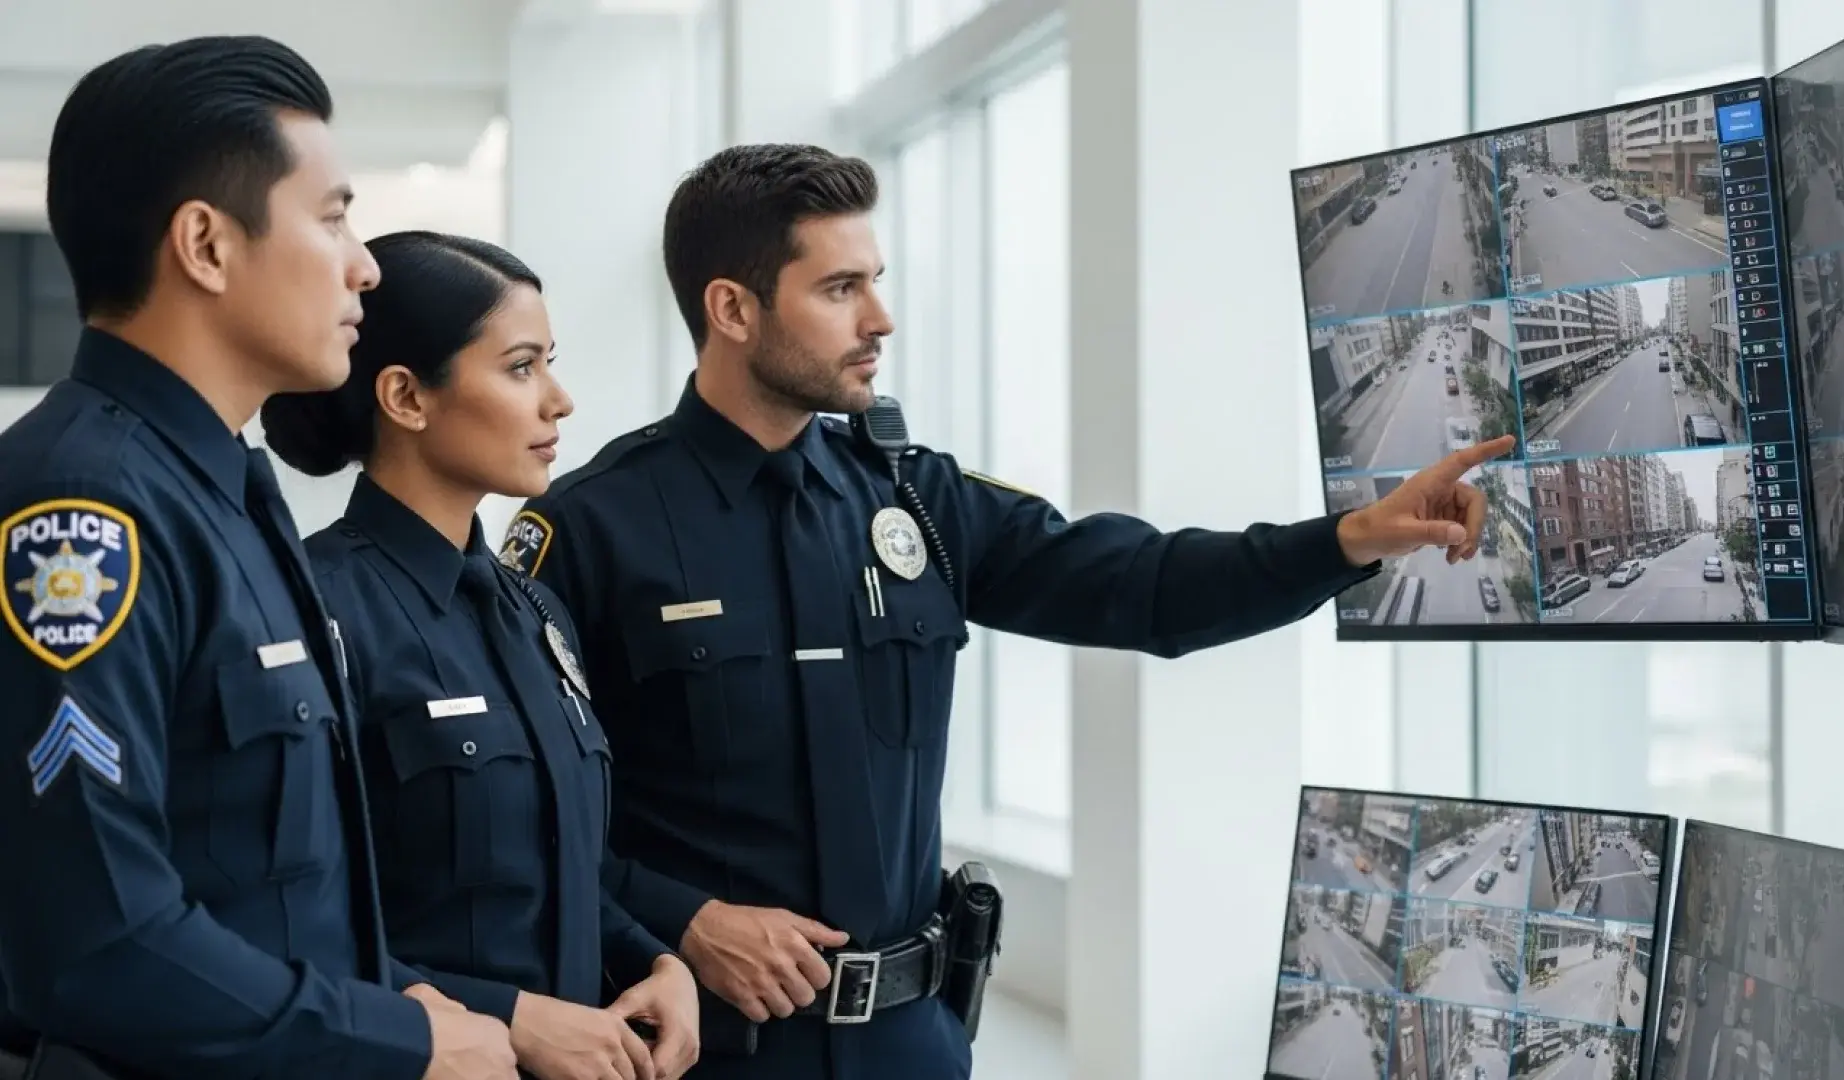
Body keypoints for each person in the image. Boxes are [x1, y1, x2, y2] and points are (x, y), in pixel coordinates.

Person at [497, 143, 1514, 1079]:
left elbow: (1142, 585)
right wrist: (687, 920)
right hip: (705, 1053)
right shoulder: (589, 531)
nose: (880, 320)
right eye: (841, 288)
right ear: (732, 308)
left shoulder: (914, 501)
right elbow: (516, 825)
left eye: (876, 283)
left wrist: (1346, 541)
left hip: (915, 1047)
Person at [0, 37, 517, 1080]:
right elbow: (100, 943)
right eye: (331, 217)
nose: (365, 262)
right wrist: (398, 1041)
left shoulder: (230, 492)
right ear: (206, 244)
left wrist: (388, 992)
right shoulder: (87, 510)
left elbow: (260, 876)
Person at [260, 231, 703, 1080]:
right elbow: (279, 923)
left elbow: (555, 869)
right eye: (521, 367)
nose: (559, 401)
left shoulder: (535, 610)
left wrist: (657, 960)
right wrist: (511, 1019)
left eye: (551, 363)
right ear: (406, 397)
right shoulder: (311, 613)